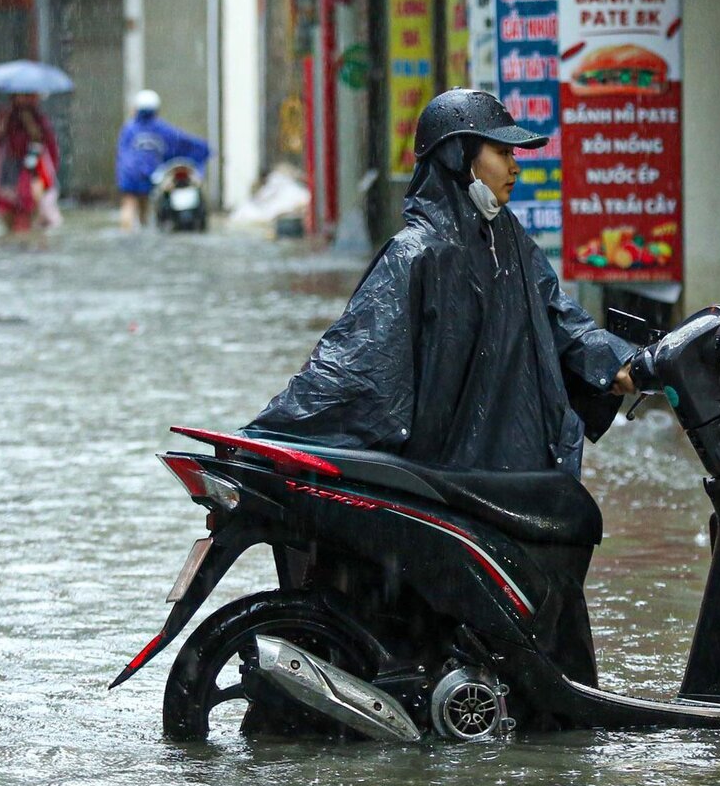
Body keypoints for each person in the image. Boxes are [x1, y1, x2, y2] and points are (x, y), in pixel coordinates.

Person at [247, 90, 636, 684]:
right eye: (500, 151)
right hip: (440, 477)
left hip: (497, 471)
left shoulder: (508, 241)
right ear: (459, 157)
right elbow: (350, 369)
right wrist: (267, 443)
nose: (515, 165)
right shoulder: (415, 254)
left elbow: (562, 323)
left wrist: (623, 365)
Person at [115, 89, 212, 230]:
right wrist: (205, 149)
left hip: (129, 172)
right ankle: (143, 227)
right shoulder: (161, 129)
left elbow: (122, 152)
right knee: (144, 202)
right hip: (149, 171)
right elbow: (184, 142)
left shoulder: (129, 128)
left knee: (129, 203)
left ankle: (127, 232)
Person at [0, 93, 60, 235]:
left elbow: (43, 140)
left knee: (32, 199)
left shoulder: (39, 117)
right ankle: (14, 236)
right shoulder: (6, 115)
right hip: (10, 165)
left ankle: (30, 231)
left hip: (32, 164)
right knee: (9, 206)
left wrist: (29, 121)